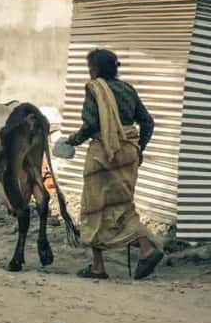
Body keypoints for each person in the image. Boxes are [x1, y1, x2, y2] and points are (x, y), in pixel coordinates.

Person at [57, 48, 164, 280]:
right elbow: (148, 122)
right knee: (123, 204)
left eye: (89, 67)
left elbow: (90, 125)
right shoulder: (128, 89)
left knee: (94, 206)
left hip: (103, 155)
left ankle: (98, 266)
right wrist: (139, 149)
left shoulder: (94, 89)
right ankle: (146, 250)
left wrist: (71, 141)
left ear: (94, 69)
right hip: (128, 153)